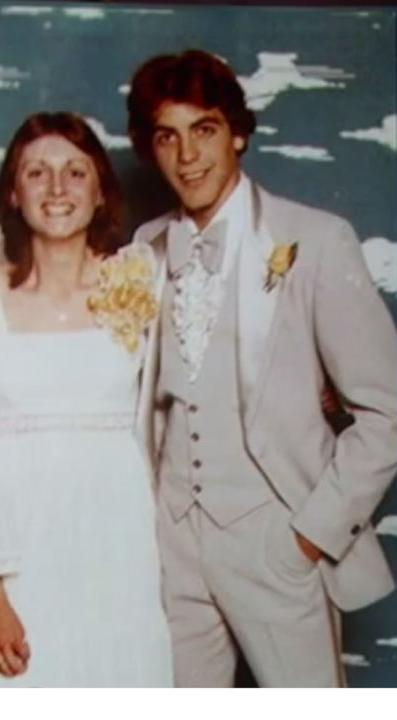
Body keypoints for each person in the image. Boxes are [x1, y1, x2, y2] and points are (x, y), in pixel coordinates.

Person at [128, 49, 397, 687]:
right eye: (167, 136)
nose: (187, 156)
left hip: (277, 544)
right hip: (172, 548)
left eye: (204, 130)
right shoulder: (144, 250)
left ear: (238, 133)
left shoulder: (316, 240)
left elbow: (389, 412)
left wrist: (308, 537)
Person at [0, 112, 173, 687]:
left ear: (100, 191)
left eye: (75, 171)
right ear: (13, 194)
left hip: (120, 548)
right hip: (20, 558)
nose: (57, 188)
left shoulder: (144, 282)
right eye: (37, 172)